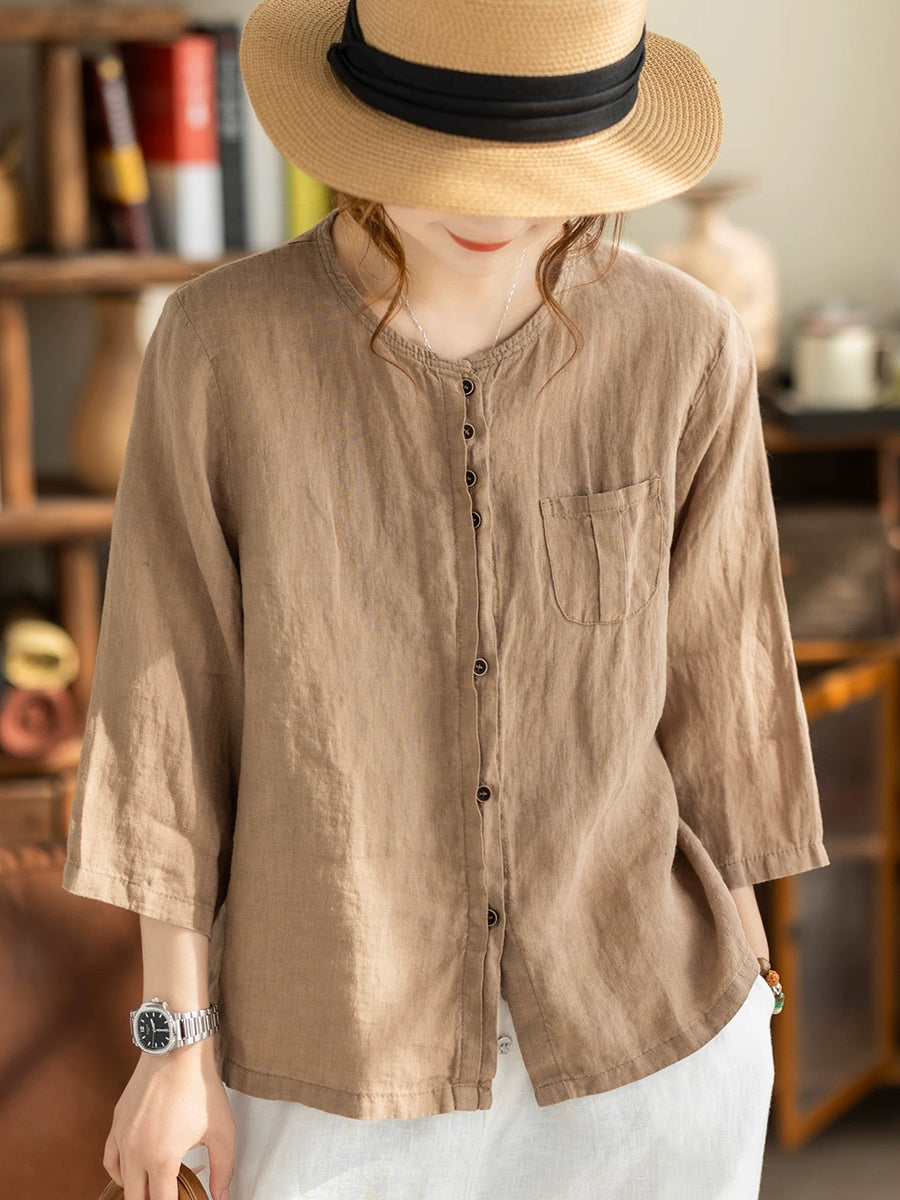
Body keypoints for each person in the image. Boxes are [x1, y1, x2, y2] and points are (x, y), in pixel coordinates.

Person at [62, 1, 830, 1198]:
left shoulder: (687, 345)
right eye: (446, 162)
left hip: (646, 1049)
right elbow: (166, 720)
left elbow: (723, 703)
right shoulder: (220, 350)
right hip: (328, 1056)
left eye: (537, 169)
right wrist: (172, 1043)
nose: (495, 209)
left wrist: (752, 1015)